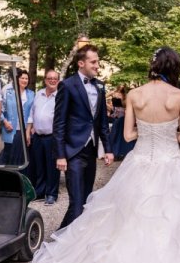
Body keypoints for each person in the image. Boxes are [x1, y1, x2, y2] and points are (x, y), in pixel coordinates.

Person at [7, 47, 180, 263]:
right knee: (171, 224)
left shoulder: (135, 95)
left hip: (140, 162)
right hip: (169, 164)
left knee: (126, 219)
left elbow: (127, 135)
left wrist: (146, 132)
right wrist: (166, 132)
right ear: (174, 68)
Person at [53, 44, 113, 229]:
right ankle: (59, 241)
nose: (97, 65)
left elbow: (102, 121)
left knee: (86, 202)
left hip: (91, 151)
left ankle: (70, 241)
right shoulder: (67, 85)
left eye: (98, 61)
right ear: (81, 63)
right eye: (93, 62)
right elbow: (59, 123)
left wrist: (108, 149)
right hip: (73, 152)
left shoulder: (100, 87)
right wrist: (60, 154)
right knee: (77, 204)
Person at [26, 69, 61, 205]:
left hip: (52, 136)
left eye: (55, 79)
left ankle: (52, 194)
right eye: (49, 78)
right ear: (45, 80)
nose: (52, 81)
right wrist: (28, 131)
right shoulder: (39, 94)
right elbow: (31, 114)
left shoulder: (60, 96)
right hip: (38, 136)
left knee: (52, 167)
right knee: (39, 165)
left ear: (58, 81)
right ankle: (40, 192)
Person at [0, 69, 35, 166]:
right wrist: (5, 122)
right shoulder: (8, 92)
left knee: (20, 156)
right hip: (10, 128)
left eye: (26, 78)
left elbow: (32, 113)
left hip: (23, 130)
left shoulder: (31, 94)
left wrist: (28, 130)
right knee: (7, 153)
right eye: (22, 78)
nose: (24, 80)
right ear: (17, 79)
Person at [108, 84, 136, 160]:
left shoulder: (125, 96)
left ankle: (123, 151)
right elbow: (104, 97)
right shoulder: (113, 93)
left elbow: (125, 105)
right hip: (114, 113)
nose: (121, 86)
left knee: (121, 131)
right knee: (115, 132)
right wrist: (110, 106)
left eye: (123, 86)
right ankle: (115, 151)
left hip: (122, 113)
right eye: (120, 85)